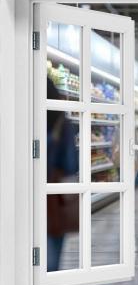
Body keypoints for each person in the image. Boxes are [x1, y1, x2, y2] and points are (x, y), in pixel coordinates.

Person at [46, 78, 79, 271]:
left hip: (25, 191)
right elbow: (70, 164)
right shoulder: (62, 123)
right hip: (55, 195)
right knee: (53, 240)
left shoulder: (24, 117)